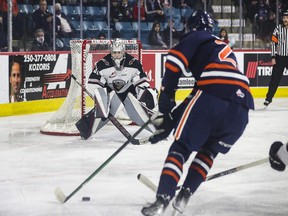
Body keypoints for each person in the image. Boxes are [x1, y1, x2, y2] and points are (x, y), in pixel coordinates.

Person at [141, 10, 254, 216]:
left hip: (213, 95)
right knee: (208, 151)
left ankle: (162, 200)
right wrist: (173, 119)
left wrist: (166, 106)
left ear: (192, 26)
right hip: (243, 104)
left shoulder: (195, 36)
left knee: (181, 148)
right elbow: (198, 96)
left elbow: (174, 62)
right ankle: (185, 194)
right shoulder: (221, 46)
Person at [76, 39, 158, 139]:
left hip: (128, 96)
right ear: (111, 52)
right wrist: (101, 100)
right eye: (114, 52)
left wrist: (145, 94)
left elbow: (140, 82)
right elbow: (94, 83)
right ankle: (86, 129)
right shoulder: (102, 64)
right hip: (111, 97)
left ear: (123, 52)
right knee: (103, 110)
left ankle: (158, 126)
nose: (116, 55)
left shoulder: (134, 63)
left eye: (119, 52)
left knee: (140, 111)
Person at [263, 9, 288, 107]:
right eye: (284, 18)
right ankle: (268, 99)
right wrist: (273, 56)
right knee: (274, 79)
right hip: (280, 57)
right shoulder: (278, 29)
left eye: (287, 18)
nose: (285, 19)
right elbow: (273, 43)